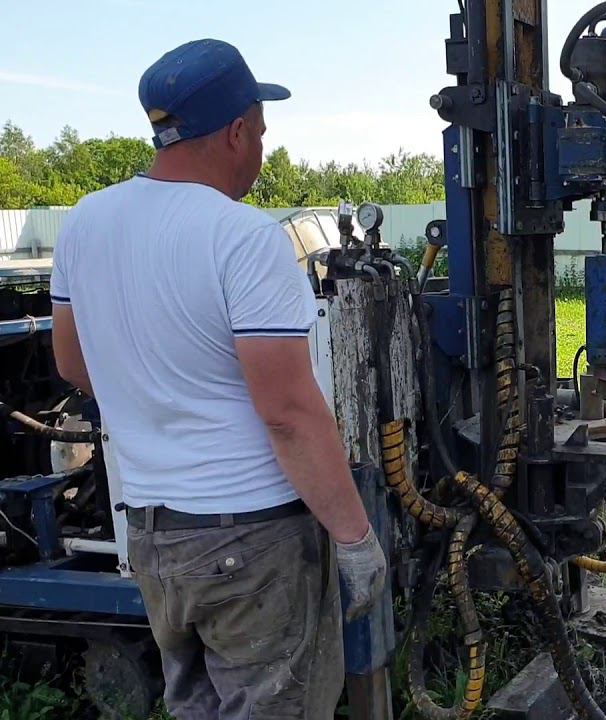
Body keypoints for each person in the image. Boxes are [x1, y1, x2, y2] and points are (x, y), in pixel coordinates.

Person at [50, 39, 386, 718]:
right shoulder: (243, 238)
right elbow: (288, 411)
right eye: (260, 132)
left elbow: (73, 365)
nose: (261, 148)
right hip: (253, 544)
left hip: (154, 537)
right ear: (236, 132)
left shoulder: (85, 222)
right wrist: (355, 538)